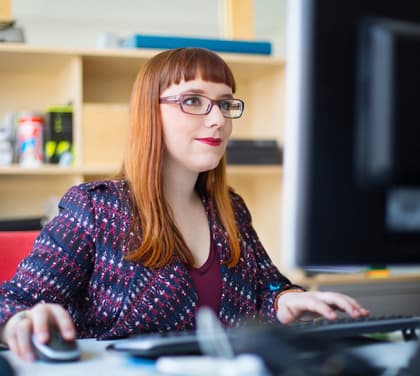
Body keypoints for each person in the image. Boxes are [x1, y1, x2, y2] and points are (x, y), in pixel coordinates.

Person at [0, 48, 368, 362]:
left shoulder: (230, 209)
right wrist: (22, 320)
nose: (218, 119)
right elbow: (11, 303)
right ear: (150, 113)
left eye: (225, 103)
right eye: (193, 100)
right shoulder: (96, 209)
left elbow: (268, 289)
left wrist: (286, 301)